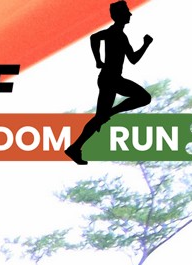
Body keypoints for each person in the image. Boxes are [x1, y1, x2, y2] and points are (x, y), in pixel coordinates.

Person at [67, 0, 153, 163]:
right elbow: (94, 38)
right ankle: (107, 116)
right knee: (143, 98)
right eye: (127, 12)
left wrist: (98, 60)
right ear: (120, 15)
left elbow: (132, 58)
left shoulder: (120, 35)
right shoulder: (114, 33)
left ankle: (75, 147)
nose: (130, 14)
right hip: (110, 78)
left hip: (111, 78)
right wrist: (146, 44)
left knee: (100, 117)